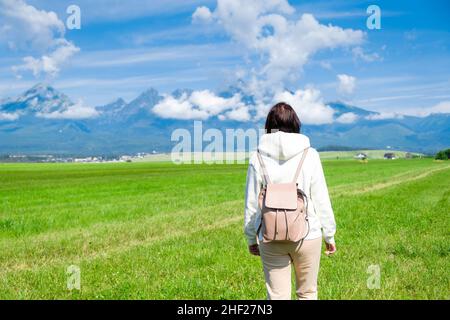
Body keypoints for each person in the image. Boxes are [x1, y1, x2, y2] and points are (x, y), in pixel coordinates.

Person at [244, 102, 337, 300]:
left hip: (270, 236)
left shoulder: (257, 156)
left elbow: (251, 203)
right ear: (296, 125)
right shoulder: (310, 154)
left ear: (268, 126)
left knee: (277, 296)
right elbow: (321, 198)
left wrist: (251, 237)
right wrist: (329, 235)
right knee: (307, 293)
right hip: (307, 234)